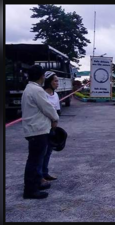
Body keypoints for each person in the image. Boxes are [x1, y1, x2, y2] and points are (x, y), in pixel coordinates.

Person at [21, 65, 59, 199]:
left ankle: (37, 183)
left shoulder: (29, 88)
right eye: (43, 75)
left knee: (36, 159)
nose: (44, 77)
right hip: (38, 130)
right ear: (40, 76)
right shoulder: (37, 90)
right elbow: (47, 108)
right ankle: (30, 190)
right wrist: (55, 118)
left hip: (34, 129)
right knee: (35, 160)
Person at [41, 71, 61, 183]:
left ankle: (45, 173)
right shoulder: (42, 94)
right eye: (55, 81)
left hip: (52, 128)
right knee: (41, 152)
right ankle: (39, 176)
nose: (57, 83)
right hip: (43, 128)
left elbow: (58, 110)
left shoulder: (56, 95)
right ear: (49, 82)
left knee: (48, 151)